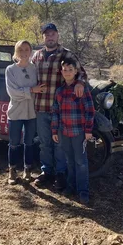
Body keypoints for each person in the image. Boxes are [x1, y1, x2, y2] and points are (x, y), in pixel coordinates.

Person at [31, 23, 87, 190]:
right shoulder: (37, 56)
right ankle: (46, 171)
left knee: (60, 144)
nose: (50, 37)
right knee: (44, 143)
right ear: (43, 37)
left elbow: (81, 73)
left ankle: (60, 174)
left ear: (58, 35)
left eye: (53, 34)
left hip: (61, 109)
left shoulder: (66, 54)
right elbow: (27, 73)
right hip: (41, 107)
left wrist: (80, 84)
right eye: (47, 34)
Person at [51, 57, 95, 204]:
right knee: (69, 161)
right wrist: (54, 131)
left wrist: (88, 130)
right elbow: (56, 112)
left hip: (79, 132)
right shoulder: (59, 91)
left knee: (81, 162)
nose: (68, 72)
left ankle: (83, 190)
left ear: (76, 71)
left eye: (71, 70)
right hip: (64, 132)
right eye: (65, 70)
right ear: (61, 72)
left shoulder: (81, 89)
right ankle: (71, 186)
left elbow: (90, 111)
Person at [5, 40, 45, 185]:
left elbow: (42, 86)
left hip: (31, 113)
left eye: (26, 50)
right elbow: (13, 93)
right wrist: (31, 90)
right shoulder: (10, 70)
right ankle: (12, 170)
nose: (23, 53)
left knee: (29, 142)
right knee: (14, 143)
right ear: (16, 52)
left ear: (30, 51)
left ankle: (27, 169)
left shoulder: (35, 69)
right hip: (16, 112)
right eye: (20, 50)